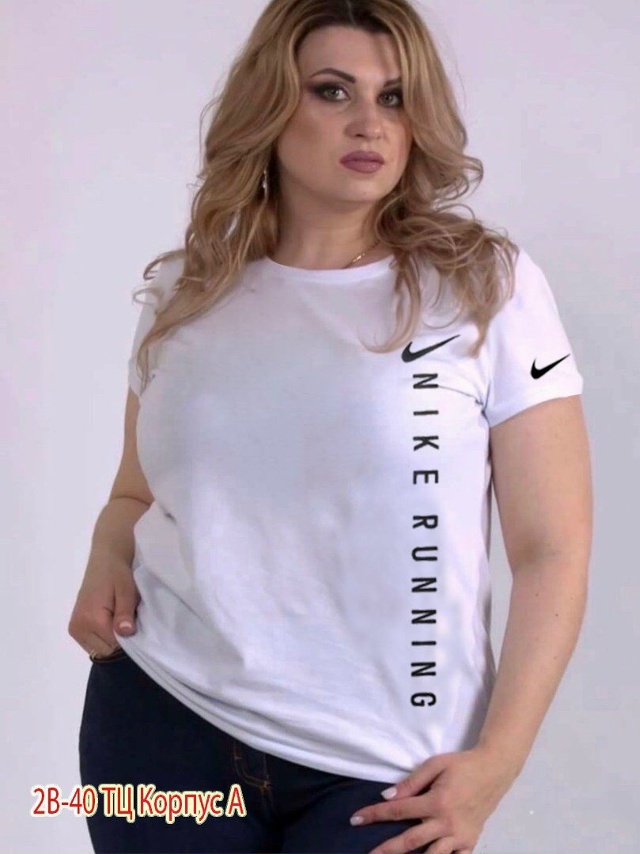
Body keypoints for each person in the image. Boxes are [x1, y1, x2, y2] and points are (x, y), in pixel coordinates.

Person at [67, 1, 592, 852]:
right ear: (271, 105)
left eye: (394, 98)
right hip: (163, 721)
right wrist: (105, 553)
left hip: (388, 766)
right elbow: (134, 492)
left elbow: (552, 548)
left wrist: (499, 760)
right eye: (332, 90)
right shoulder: (186, 292)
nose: (369, 123)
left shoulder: (484, 286)